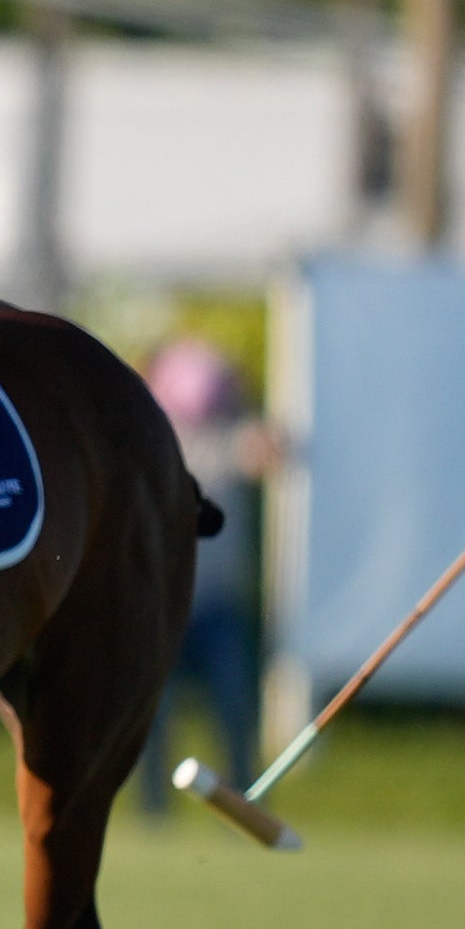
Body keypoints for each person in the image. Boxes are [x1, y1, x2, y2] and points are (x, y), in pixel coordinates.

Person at [138, 331, 270, 808]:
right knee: (152, 720)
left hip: (218, 604)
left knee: (235, 713)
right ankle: (153, 810)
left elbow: (264, 451)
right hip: (163, 606)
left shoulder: (231, 434)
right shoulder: (153, 439)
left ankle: (245, 800)